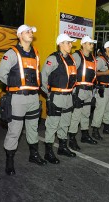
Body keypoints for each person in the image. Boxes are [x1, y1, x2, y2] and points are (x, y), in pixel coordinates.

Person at [0, 25, 47, 175]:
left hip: (33, 98)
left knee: (32, 128)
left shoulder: (35, 53)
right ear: (19, 35)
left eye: (32, 32)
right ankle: (10, 161)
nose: (31, 33)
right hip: (18, 98)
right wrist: (16, 85)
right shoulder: (12, 53)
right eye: (27, 31)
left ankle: (34, 155)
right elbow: (1, 74)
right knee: (14, 131)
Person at [41, 33, 77, 164]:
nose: (71, 45)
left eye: (70, 43)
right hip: (57, 96)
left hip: (68, 96)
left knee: (65, 123)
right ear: (60, 44)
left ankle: (62, 147)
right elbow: (43, 77)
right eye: (68, 42)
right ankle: (48, 152)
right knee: (52, 125)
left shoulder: (71, 59)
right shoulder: (53, 58)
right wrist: (49, 94)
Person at [67, 36, 98, 151]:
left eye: (92, 44)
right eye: (90, 43)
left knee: (86, 114)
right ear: (83, 44)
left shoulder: (93, 58)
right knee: (76, 115)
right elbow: (69, 72)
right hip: (79, 90)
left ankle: (85, 135)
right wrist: (72, 90)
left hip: (89, 90)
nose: (92, 45)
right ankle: (72, 138)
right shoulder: (76, 56)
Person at [90, 41, 109, 139]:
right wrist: (105, 73)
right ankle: (95, 130)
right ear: (107, 48)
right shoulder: (100, 60)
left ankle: (106, 127)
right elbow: (93, 73)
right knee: (100, 110)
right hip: (103, 89)